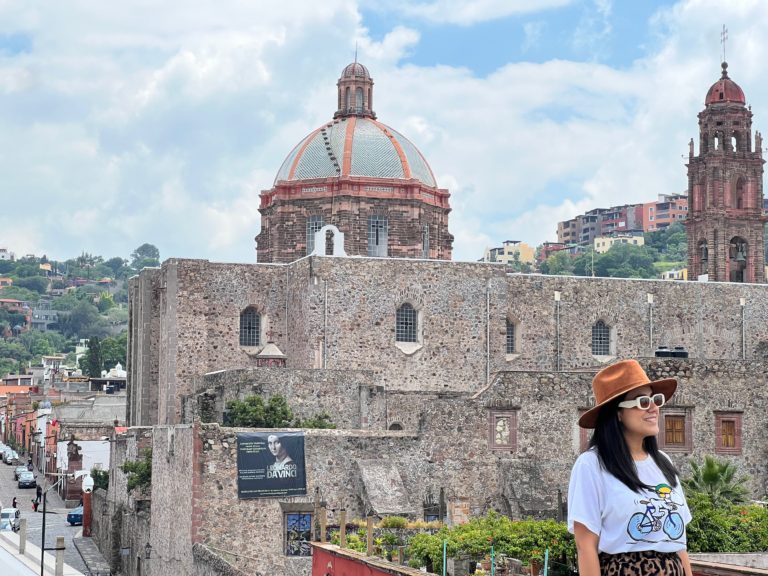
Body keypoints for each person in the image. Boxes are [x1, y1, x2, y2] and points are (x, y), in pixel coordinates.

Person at [568, 359, 693, 576]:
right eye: (642, 401)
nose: (654, 407)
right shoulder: (592, 465)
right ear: (617, 413)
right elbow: (585, 547)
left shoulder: (663, 463)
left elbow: (678, 546)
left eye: (655, 399)